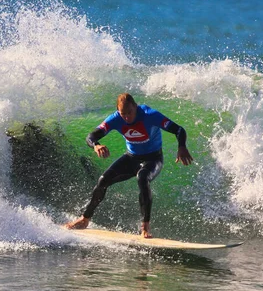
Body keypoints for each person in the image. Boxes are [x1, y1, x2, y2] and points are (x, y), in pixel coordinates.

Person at [64, 93, 193, 238]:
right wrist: (96, 145)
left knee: (142, 178)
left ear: (136, 107)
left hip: (153, 159)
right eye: (122, 114)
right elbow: (91, 136)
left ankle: (145, 227)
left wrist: (182, 147)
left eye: (129, 113)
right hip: (131, 158)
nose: (126, 117)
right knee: (102, 181)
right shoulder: (115, 118)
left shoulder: (149, 114)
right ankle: (85, 219)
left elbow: (179, 130)